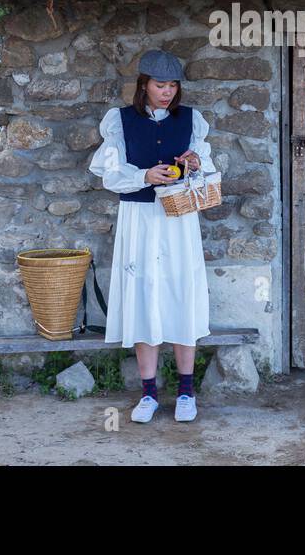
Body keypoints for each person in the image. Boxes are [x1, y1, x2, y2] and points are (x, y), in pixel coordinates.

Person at [86, 49, 214, 423]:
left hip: (178, 219)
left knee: (181, 293)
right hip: (139, 218)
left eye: (173, 85)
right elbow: (108, 171)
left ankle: (187, 393)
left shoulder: (193, 121)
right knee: (144, 295)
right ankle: (149, 394)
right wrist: (144, 176)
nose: (167, 92)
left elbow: (205, 169)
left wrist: (194, 163)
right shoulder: (120, 121)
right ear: (143, 85)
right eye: (160, 85)